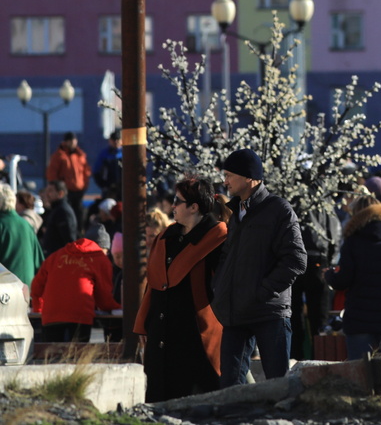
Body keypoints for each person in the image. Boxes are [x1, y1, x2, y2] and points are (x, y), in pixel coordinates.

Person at [212, 148, 307, 387]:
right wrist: (220, 288)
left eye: (229, 175)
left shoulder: (279, 209)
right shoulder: (236, 214)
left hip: (269, 313)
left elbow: (296, 259)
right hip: (236, 312)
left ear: (248, 177)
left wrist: (262, 292)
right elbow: (227, 257)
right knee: (230, 385)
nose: (225, 181)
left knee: (278, 385)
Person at [134, 176, 228, 402]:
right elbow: (154, 286)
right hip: (161, 332)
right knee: (158, 397)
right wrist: (142, 324)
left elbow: (224, 288)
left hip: (195, 333)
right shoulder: (165, 237)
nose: (172, 205)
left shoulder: (219, 238)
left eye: (178, 201)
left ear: (194, 207)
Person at [325, 198, 381, 360]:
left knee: (359, 372)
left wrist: (329, 275)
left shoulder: (352, 244)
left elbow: (342, 281)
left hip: (359, 319)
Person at [31, 227, 120, 342]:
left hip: (51, 315)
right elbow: (103, 296)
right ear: (103, 248)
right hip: (80, 316)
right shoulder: (100, 259)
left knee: (52, 355)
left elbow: (37, 286)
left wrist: (38, 308)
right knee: (77, 356)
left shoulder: (56, 256)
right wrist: (117, 308)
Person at [291, 197, 342, 359]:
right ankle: (320, 358)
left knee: (292, 314)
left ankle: (295, 357)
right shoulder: (322, 198)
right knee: (319, 316)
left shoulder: (288, 196)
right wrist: (330, 259)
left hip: (291, 258)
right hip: (318, 258)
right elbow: (334, 232)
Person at [0, 183, 43, 285]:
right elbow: (39, 263)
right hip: (26, 292)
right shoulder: (26, 225)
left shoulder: (2, 225)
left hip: (4, 292)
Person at [46, 132, 89, 226]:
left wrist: (84, 186)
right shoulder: (59, 156)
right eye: (70, 141)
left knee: (79, 214)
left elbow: (86, 172)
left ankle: (79, 231)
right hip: (66, 191)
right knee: (67, 213)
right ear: (65, 142)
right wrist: (58, 188)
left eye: (74, 141)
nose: (72, 143)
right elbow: (52, 174)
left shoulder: (80, 155)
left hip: (78, 191)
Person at [39, 180, 78, 257]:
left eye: (50, 191)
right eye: (46, 191)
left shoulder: (63, 211)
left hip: (60, 259)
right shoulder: (55, 210)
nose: (47, 194)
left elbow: (69, 239)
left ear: (60, 193)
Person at [93, 130, 123, 201]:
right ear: (110, 141)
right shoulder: (104, 154)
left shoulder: (125, 153)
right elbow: (96, 171)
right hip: (109, 188)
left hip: (124, 188)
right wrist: (104, 185)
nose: (116, 142)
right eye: (113, 139)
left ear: (121, 140)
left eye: (118, 139)